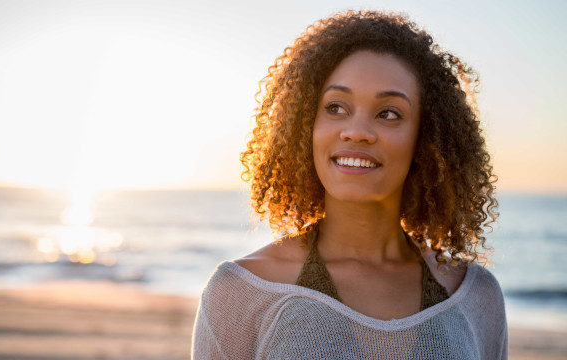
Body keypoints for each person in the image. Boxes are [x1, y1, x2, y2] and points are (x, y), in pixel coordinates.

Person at [192, 10, 507, 359]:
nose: (356, 131)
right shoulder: (240, 293)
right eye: (336, 107)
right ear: (305, 126)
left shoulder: (475, 295)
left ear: (426, 138)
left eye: (389, 113)